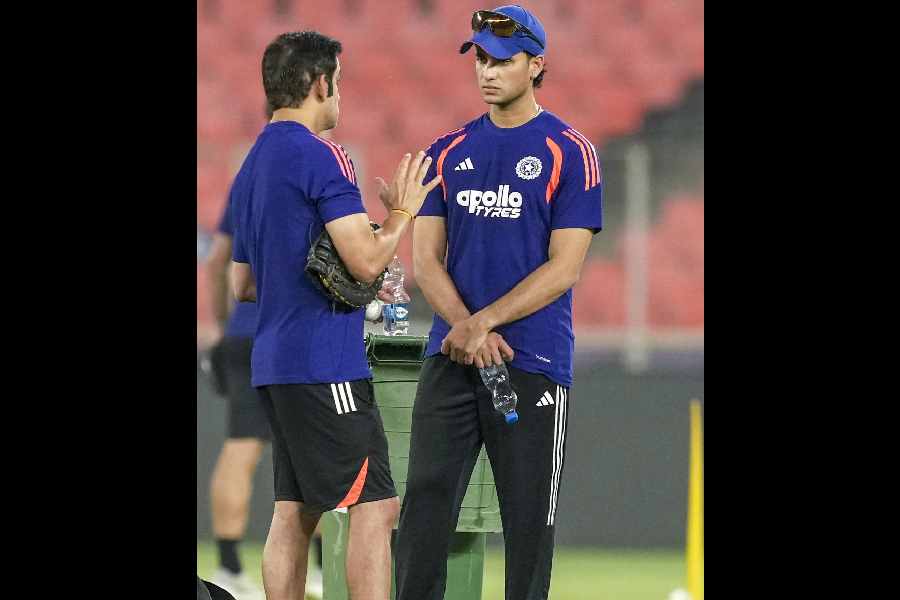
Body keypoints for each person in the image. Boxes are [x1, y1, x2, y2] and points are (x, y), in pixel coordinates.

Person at [394, 5, 602, 600]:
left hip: (530, 362)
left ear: (536, 65)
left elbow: (566, 268)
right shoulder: (447, 148)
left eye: (502, 61)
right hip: (453, 358)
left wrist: (483, 322)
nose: (486, 71)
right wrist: (467, 330)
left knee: (528, 523)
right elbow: (425, 260)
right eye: (479, 59)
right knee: (426, 509)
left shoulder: (570, 151)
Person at [228, 31, 441, 600]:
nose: (339, 96)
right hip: (325, 364)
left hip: (273, 363)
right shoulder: (320, 156)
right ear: (321, 83)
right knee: (376, 507)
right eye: (338, 83)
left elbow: (242, 283)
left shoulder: (251, 166)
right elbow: (367, 261)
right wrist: (399, 215)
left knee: (293, 511)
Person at [205, 193, 325, 599]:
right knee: (318, 452)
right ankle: (320, 571)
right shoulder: (317, 170)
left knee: (240, 449)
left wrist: (225, 329)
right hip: (297, 333)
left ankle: (228, 567)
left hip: (245, 332)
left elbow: (219, 262)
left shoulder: (249, 179)